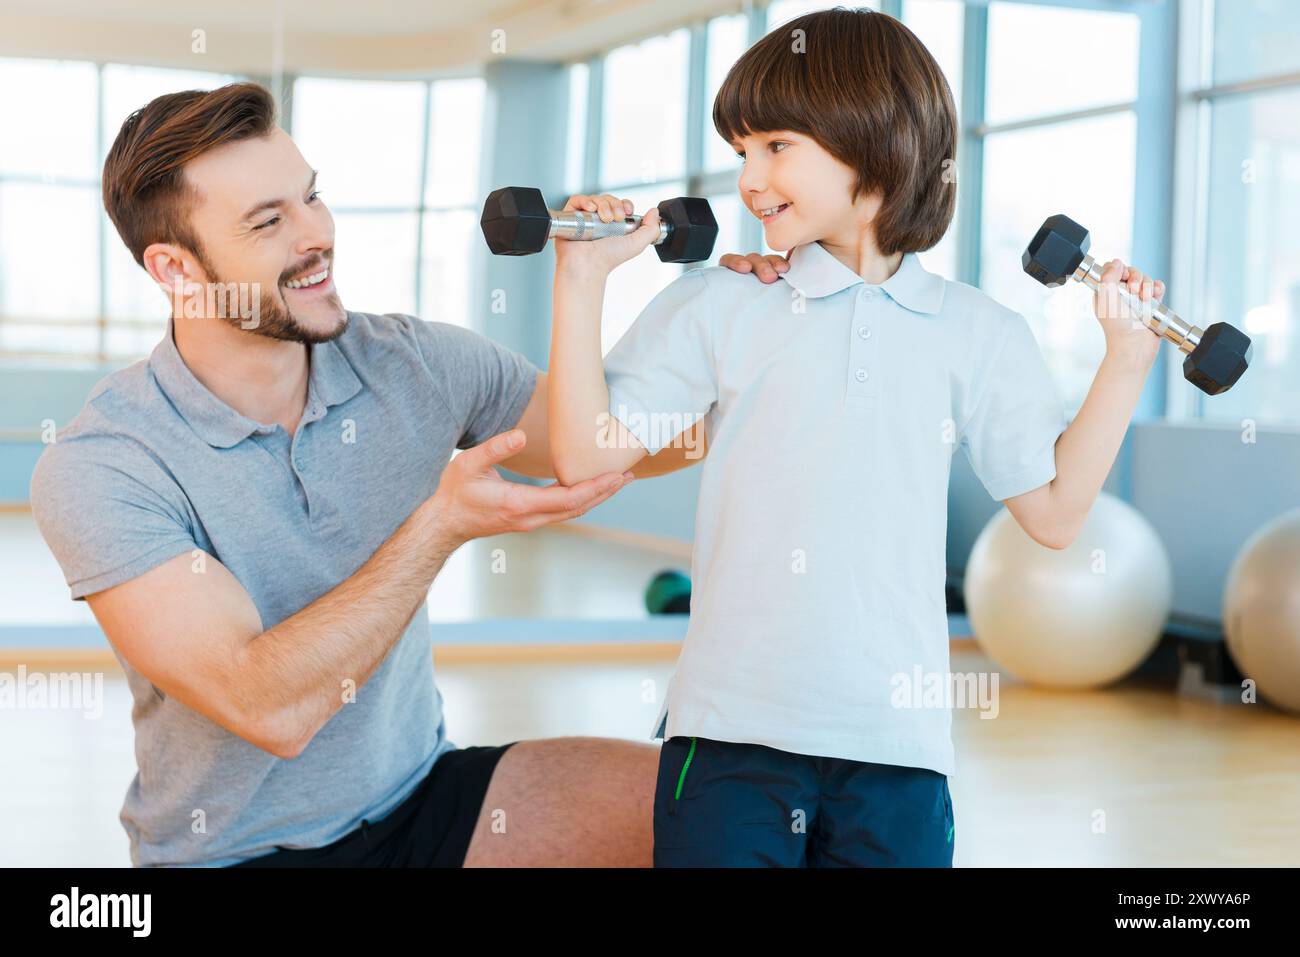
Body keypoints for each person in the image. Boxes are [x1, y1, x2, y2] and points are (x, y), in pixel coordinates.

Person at [28, 80, 765, 867]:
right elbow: (267, 707)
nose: (315, 235)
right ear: (175, 269)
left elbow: (596, 444)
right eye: (269, 221)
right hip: (233, 855)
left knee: (722, 813)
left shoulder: (411, 361)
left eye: (311, 197)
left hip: (421, 800)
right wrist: (440, 526)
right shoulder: (103, 463)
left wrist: (748, 367)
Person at [545, 8, 1164, 866]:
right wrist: (579, 282)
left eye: (774, 146)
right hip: (729, 735)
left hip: (897, 747)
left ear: (871, 142)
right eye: (740, 153)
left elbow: (1056, 514)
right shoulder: (720, 303)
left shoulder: (977, 331)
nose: (750, 179)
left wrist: (1127, 360)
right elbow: (584, 454)